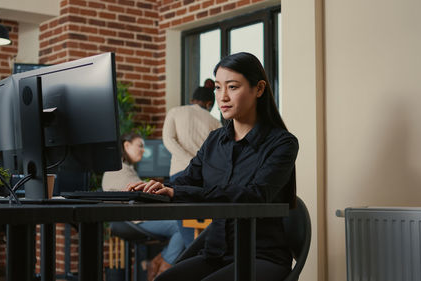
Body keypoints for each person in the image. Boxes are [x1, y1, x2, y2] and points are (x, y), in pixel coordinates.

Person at [127, 52, 299, 281]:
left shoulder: (282, 143)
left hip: (261, 256)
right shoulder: (214, 141)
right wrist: (155, 190)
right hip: (216, 253)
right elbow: (185, 181)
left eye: (233, 87)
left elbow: (255, 195)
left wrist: (179, 191)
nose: (223, 97)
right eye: (218, 88)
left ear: (258, 89)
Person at [102, 133, 185, 281]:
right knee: (181, 227)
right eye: (139, 145)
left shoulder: (125, 169)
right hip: (133, 219)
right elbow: (139, 197)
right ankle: (162, 273)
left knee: (180, 226)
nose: (143, 150)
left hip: (133, 218)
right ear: (126, 146)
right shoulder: (119, 170)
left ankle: (157, 264)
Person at [162, 86, 221, 181]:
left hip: (179, 172)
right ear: (209, 104)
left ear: (192, 100)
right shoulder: (216, 122)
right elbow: (218, 153)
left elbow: (168, 140)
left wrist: (189, 161)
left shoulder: (174, 112)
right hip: (203, 174)